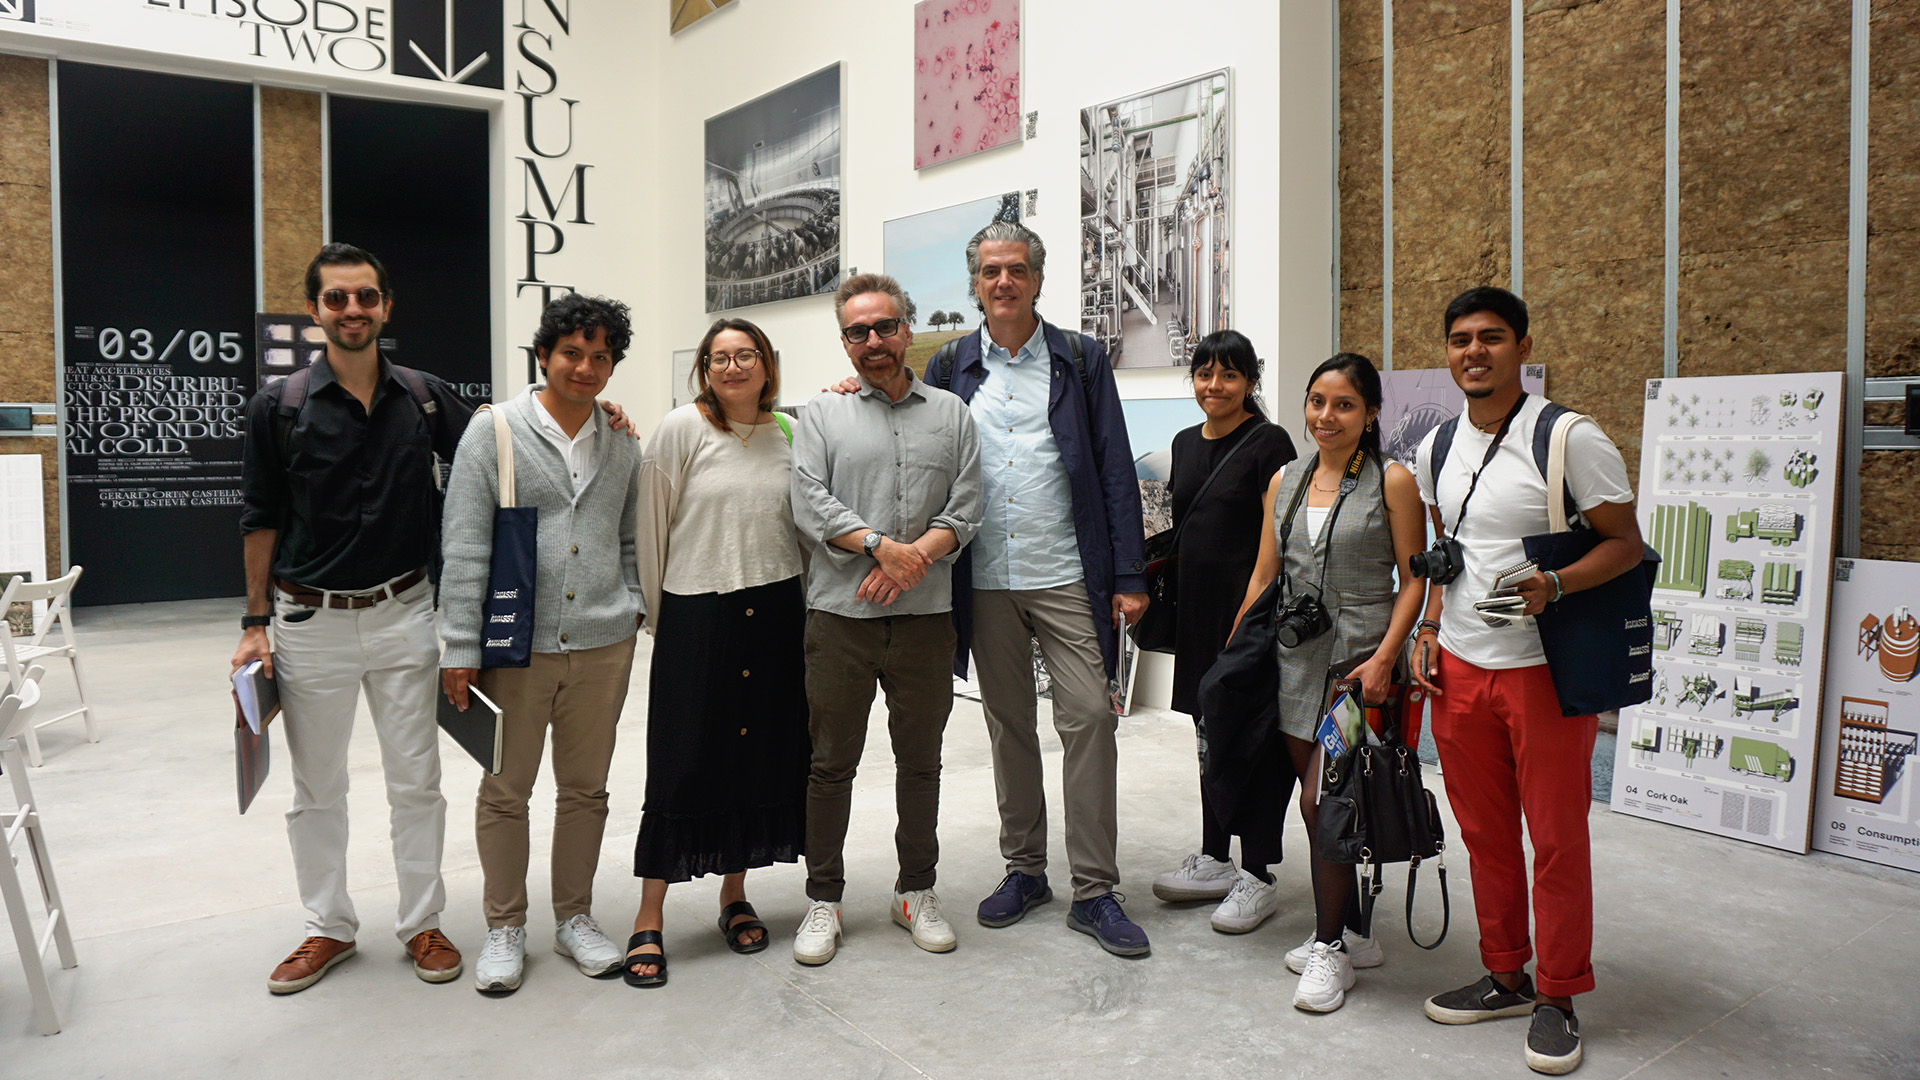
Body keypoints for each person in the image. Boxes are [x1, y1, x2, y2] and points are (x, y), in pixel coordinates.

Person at [1413, 286, 1641, 1075]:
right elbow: (1449, 555)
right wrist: (1433, 628)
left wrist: (1561, 586)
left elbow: (1625, 545)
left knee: (1554, 838)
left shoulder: (1569, 438)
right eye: (1461, 340)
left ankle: (1559, 994)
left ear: (1521, 347)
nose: (1474, 351)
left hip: (1545, 672)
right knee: (1484, 835)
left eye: (1492, 338)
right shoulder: (1437, 447)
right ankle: (1505, 970)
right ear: (1447, 353)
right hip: (1464, 668)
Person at [234, 243, 472, 993]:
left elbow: (500, 452)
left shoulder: (425, 397)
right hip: (311, 626)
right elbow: (260, 519)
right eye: (336, 299)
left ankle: (422, 923)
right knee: (317, 790)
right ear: (315, 311)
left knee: (418, 783)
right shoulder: (279, 406)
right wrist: (253, 621)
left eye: (365, 297)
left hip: (405, 613)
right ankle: (327, 928)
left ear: (386, 306)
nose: (352, 311)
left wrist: (603, 411)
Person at [923, 221, 1152, 957]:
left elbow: (1115, 466)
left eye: (1016, 269)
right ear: (976, 281)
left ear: (1037, 278)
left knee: (1089, 716)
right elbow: (912, 436)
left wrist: (1128, 575)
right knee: (1008, 725)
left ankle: (1095, 890)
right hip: (984, 575)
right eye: (990, 271)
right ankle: (1025, 870)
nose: (1003, 282)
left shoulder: (1079, 359)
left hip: (1064, 571)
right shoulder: (950, 365)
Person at [437, 293, 644, 994]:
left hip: (603, 645)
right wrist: (459, 646)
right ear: (544, 356)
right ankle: (504, 926)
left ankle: (575, 918)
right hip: (512, 646)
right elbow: (465, 544)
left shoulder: (622, 441)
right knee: (505, 789)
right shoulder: (493, 430)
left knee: (585, 791)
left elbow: (626, 537)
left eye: (599, 357)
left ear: (611, 366)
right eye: (571, 353)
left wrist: (634, 603)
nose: (584, 367)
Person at [789, 273, 982, 966]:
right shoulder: (822, 414)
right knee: (830, 763)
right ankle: (824, 899)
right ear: (844, 341)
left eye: (884, 327)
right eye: (857, 331)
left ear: (907, 328)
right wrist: (879, 546)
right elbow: (808, 500)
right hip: (841, 616)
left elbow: (966, 507)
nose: (873, 341)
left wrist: (912, 561)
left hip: (927, 619)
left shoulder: (952, 413)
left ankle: (916, 891)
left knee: (920, 762)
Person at [1230, 353, 1429, 1011]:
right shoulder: (1285, 480)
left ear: (1371, 414)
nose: (1326, 416)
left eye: (1343, 404)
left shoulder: (1391, 482)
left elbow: (1415, 579)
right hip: (1292, 665)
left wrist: (1385, 659)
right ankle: (1352, 929)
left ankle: (1329, 950)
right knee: (1323, 804)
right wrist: (1236, 653)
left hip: (1356, 672)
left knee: (1328, 801)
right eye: (1317, 401)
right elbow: (1264, 574)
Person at [620, 317, 812, 988]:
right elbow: (652, 525)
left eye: (745, 355)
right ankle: (649, 915)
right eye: (719, 357)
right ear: (705, 369)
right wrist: (663, 618)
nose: (732, 367)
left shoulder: (788, 433)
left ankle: (735, 894)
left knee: (756, 757)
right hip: (697, 612)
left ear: (767, 366)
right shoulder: (681, 430)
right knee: (682, 761)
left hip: (778, 609)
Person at [1149, 330, 1298, 934]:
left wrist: (1252, 611)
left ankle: (1257, 872)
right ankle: (1214, 856)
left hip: (1249, 618)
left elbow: (1280, 539)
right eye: (1205, 374)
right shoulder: (1185, 444)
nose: (1215, 386)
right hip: (1196, 616)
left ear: (1250, 382)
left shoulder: (1270, 444)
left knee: (1254, 741)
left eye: (1229, 375)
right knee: (1208, 734)